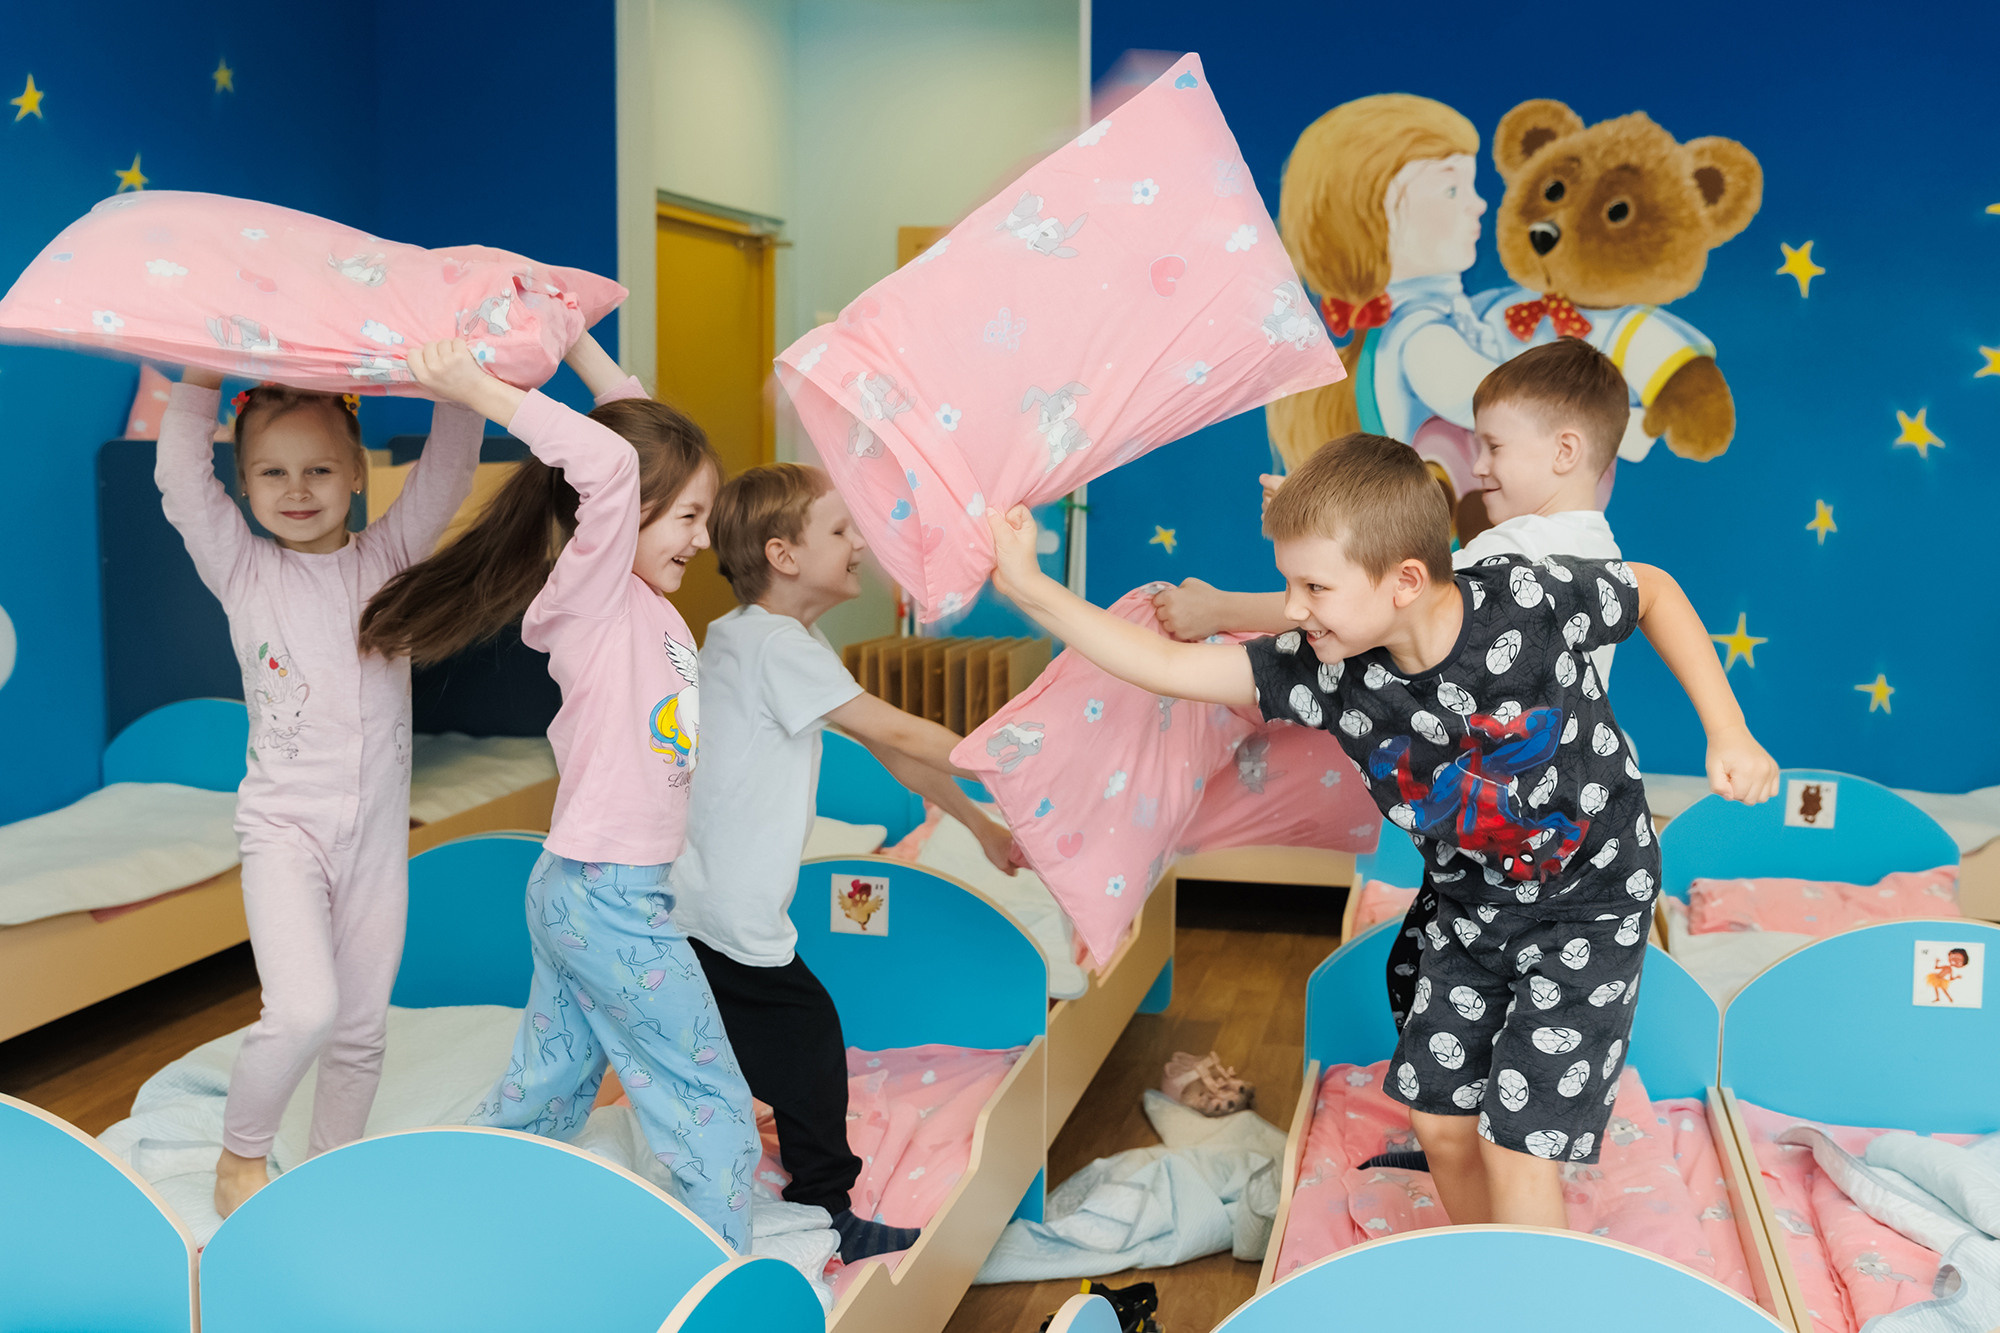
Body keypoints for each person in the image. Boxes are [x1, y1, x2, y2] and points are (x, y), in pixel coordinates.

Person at [984, 432, 1778, 1228]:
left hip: (1594, 901)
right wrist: (1030, 589)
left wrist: (1729, 730)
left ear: (1404, 581)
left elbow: (1655, 593)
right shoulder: (1329, 668)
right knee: (1438, 1123)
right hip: (1471, 911)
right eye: (1289, 583)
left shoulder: (1523, 598)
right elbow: (1172, 668)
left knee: (1516, 1144)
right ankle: (1489, 1263)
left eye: (1314, 586)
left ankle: (1534, 1300)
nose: (1293, 608)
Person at [357, 334, 758, 1248]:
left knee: (552, 1087)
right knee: (706, 1090)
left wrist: (578, 340)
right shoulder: (593, 594)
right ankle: (718, 1269)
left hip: (588, 887)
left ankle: (450, 1211)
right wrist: (478, 386)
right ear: (621, 513)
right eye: (689, 517)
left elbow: (630, 433)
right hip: (609, 894)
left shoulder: (640, 599)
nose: (704, 538)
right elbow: (613, 461)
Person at [1159, 337, 1636, 1030]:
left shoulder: (1522, 556)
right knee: (1436, 977)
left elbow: (1373, 604)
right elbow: (1371, 595)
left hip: (1513, 823)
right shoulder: (1589, 546)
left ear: (1565, 452)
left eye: (1494, 447)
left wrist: (1221, 608)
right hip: (1506, 815)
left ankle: (1466, 1119)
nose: (1477, 465)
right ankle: (1453, 1114)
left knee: (1458, 989)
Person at [155, 366, 482, 1217]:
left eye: (319, 470)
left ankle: (327, 1177)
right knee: (304, 1008)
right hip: (285, 831)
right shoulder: (243, 569)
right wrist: (198, 379)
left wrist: (458, 383)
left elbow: (447, 469)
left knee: (362, 1028)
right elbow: (179, 483)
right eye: (272, 471)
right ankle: (241, 1156)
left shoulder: (391, 556)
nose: (297, 490)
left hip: (374, 834)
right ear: (244, 482)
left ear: (357, 474)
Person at [671, 461, 1017, 1261]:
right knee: (811, 1035)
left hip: (697, 900)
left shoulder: (764, 639)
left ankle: (720, 1173)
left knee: (737, 1044)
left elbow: (886, 750)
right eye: (840, 529)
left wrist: (974, 819)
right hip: (729, 909)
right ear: (784, 554)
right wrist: (1005, 756)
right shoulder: (772, 647)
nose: (859, 543)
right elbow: (895, 730)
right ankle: (829, 1210)